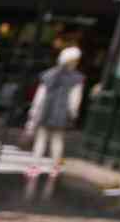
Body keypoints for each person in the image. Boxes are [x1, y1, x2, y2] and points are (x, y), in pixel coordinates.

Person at [24, 46, 84, 176]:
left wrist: (34, 111)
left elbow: (40, 96)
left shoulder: (49, 74)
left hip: (46, 110)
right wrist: (73, 113)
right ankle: (55, 167)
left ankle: (34, 167)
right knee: (57, 139)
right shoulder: (77, 78)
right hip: (62, 113)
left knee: (41, 139)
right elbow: (75, 100)